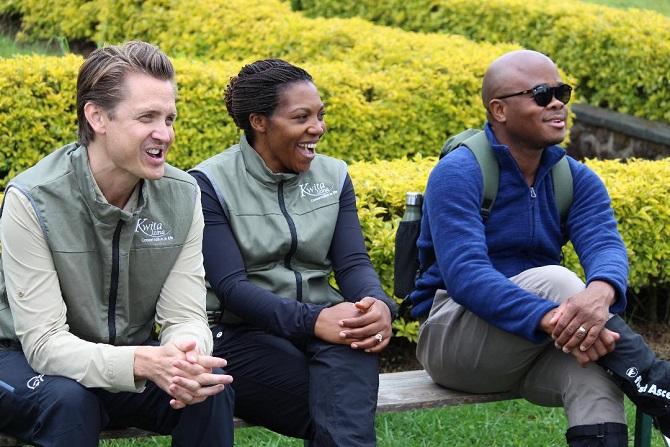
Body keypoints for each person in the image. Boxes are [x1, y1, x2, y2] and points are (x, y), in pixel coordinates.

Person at [411, 49, 670, 446]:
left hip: (535, 345)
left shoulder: (575, 178)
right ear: (499, 110)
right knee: (558, 280)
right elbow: (466, 276)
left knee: (595, 373)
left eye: (561, 93)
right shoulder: (458, 173)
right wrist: (554, 318)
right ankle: (660, 388)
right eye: (541, 94)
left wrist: (600, 294)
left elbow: (605, 244)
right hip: (455, 341)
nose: (556, 104)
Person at [0, 41, 235, 447]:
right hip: (18, 358)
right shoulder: (33, 199)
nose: (165, 134)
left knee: (207, 387)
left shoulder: (182, 196)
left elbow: (185, 314)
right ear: (97, 117)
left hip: (123, 355)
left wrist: (186, 355)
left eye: (169, 118)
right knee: (70, 401)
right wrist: (141, 361)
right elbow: (44, 344)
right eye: (147, 117)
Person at [189, 58, 396, 446]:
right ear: (259, 122)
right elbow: (232, 288)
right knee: (338, 410)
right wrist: (315, 321)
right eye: (302, 117)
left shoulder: (333, 176)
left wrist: (378, 304)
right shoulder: (208, 184)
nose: (317, 128)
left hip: (319, 324)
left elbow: (353, 263)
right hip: (237, 331)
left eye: (320, 115)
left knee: (347, 379)